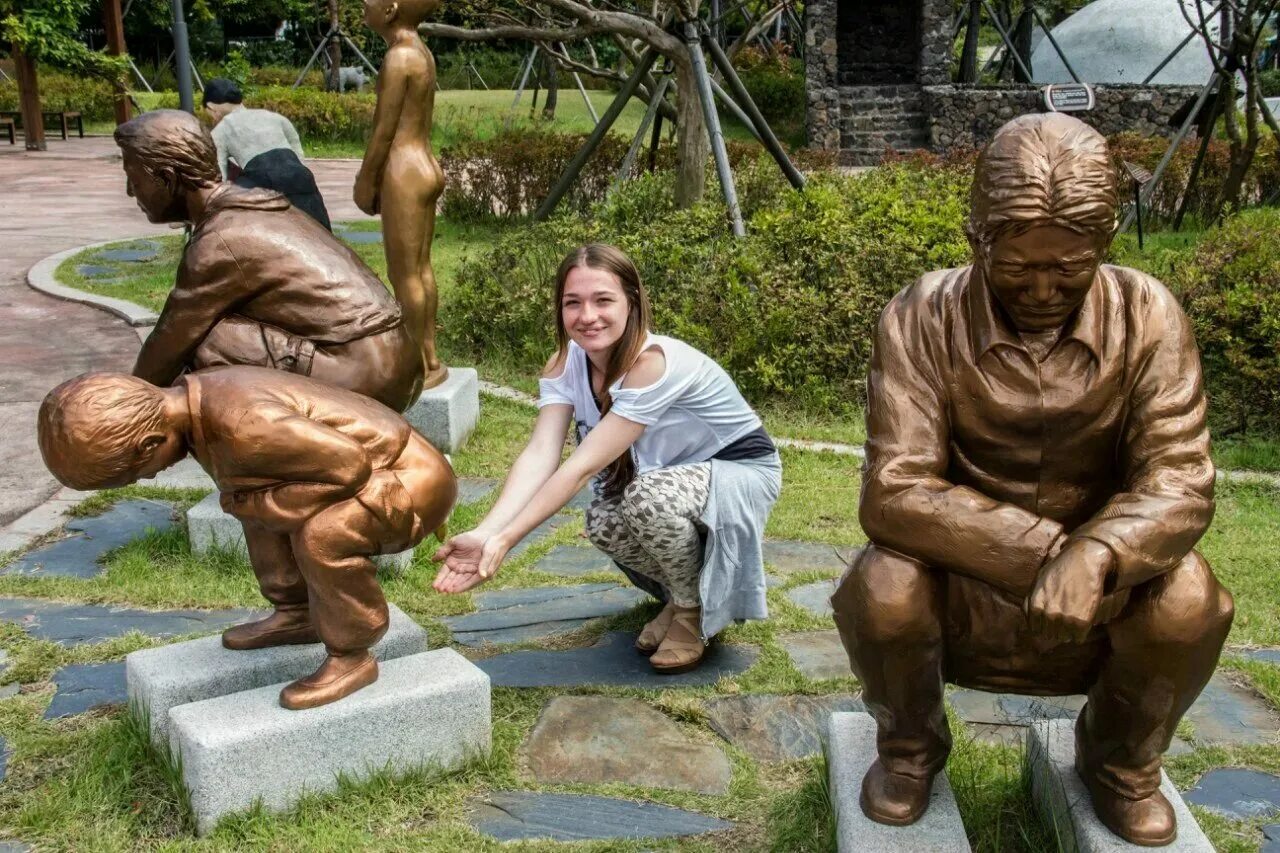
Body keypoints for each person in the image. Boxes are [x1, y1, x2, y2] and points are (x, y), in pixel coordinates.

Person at [832, 113, 1233, 846]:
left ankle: (1118, 761)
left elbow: (1180, 476)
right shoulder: (920, 315)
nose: (1044, 288)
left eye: (1069, 267)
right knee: (881, 586)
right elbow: (892, 487)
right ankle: (910, 746)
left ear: (1104, 247)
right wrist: (1050, 553)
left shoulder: (1150, 316)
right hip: (965, 585)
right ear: (976, 241)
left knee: (1190, 597)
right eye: (1018, 267)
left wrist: (1100, 553)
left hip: (1102, 595)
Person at [432, 244, 782, 673]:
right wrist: (488, 530)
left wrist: (507, 540)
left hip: (740, 470)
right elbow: (542, 453)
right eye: (572, 302)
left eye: (603, 300)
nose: (587, 315)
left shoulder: (651, 364)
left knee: (646, 501)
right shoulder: (563, 363)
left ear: (632, 301)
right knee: (604, 522)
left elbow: (580, 467)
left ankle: (691, 612)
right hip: (669, 477)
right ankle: (681, 596)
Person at [37, 366, 456, 709]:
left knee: (321, 536)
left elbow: (350, 467)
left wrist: (264, 502)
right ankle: (297, 614)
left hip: (408, 483)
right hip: (365, 473)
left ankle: (353, 653)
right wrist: (259, 503)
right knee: (252, 504)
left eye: (136, 473)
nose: (147, 477)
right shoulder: (196, 404)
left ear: (149, 444)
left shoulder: (245, 426)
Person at [114, 109, 423, 413]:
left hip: (368, 378)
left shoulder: (221, 240)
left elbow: (165, 347)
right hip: (399, 363)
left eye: (134, 179)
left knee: (206, 342)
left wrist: (120, 411)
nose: (130, 191)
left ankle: (269, 457)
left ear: (167, 179)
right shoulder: (260, 206)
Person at [356, 0, 448, 389]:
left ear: (391, 9)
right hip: (425, 164)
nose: (364, 5)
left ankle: (414, 366)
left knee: (404, 273)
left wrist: (366, 179)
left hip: (402, 171)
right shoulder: (421, 51)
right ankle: (428, 356)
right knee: (422, 269)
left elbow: (384, 130)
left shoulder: (398, 57)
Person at [202, 78, 332, 230]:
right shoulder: (273, 117)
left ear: (211, 107)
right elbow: (297, 151)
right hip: (300, 175)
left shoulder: (221, 130)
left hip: (261, 180)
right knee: (318, 231)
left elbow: (219, 176)